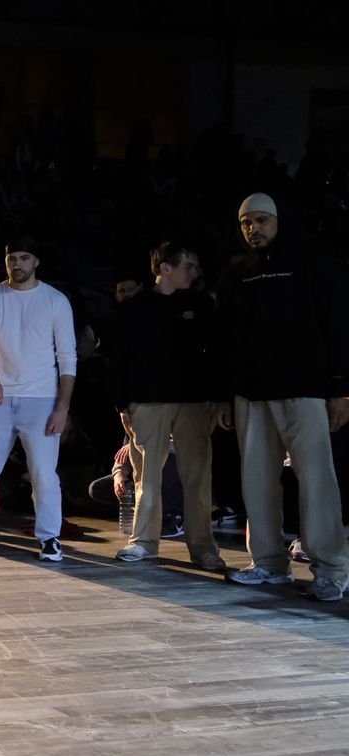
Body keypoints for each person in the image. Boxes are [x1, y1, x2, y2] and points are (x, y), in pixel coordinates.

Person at [215, 193, 349, 601]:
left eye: (260, 221)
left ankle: (333, 570)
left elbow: (338, 322)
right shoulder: (236, 273)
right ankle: (269, 563)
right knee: (255, 481)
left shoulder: (314, 263)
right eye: (245, 223)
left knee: (316, 481)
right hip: (251, 395)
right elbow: (225, 341)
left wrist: (340, 388)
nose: (252, 228)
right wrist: (224, 394)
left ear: (279, 221)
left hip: (305, 390)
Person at [0, 240, 78, 562]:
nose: (16, 264)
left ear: (36, 261)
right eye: (11, 259)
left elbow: (67, 358)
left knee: (44, 474)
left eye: (23, 258)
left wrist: (62, 408)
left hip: (41, 398)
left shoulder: (55, 301)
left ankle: (49, 538)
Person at [110, 241, 225, 570]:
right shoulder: (135, 307)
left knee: (197, 476)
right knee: (147, 474)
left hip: (194, 402)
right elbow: (119, 358)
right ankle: (144, 541)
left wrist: (217, 398)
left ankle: (203, 546)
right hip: (147, 401)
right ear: (165, 268)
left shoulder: (202, 304)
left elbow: (216, 354)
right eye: (188, 266)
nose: (195, 272)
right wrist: (122, 404)